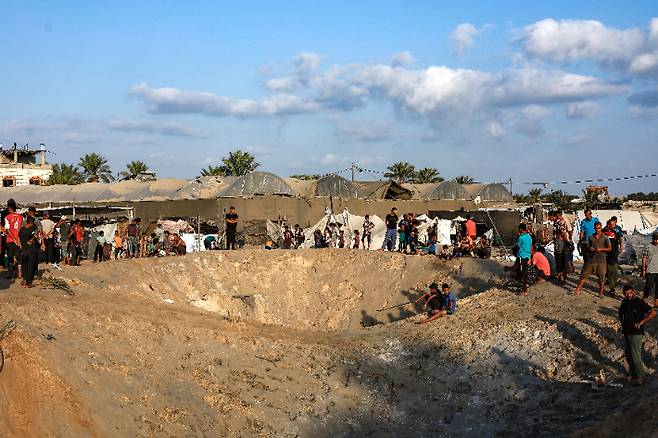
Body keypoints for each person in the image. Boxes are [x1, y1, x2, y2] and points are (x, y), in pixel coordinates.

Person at [619, 285, 656, 384]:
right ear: (623, 293)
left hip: (636, 332)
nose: (628, 295)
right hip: (627, 331)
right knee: (628, 354)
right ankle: (633, 374)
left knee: (635, 354)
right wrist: (622, 324)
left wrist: (641, 322)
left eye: (630, 293)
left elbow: (653, 313)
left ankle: (641, 376)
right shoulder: (624, 302)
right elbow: (620, 313)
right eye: (626, 293)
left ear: (633, 292)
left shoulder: (639, 302)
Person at [575, 222, 611, 297]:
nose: (597, 230)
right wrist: (590, 248)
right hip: (591, 259)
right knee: (584, 274)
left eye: (599, 228)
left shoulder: (605, 237)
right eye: (596, 228)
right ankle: (577, 290)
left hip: (601, 260)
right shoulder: (591, 236)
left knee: (601, 278)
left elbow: (609, 248)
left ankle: (601, 293)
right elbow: (588, 246)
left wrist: (601, 249)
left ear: (601, 228)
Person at [3, 200, 23, 278]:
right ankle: (20, 273)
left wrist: (14, 239)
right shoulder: (21, 217)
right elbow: (21, 229)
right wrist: (18, 239)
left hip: (10, 240)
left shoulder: (7, 217)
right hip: (18, 240)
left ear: (9, 209)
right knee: (19, 257)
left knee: (10, 257)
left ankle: (11, 273)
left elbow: (7, 229)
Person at [19, 216, 39, 288]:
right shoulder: (31, 230)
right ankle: (28, 283)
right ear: (31, 223)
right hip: (31, 250)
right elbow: (36, 235)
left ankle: (24, 280)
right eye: (33, 223)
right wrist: (33, 239)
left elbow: (20, 240)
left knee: (24, 266)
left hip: (24, 251)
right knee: (30, 266)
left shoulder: (21, 230)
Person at [603, 219, 621, 297]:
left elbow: (621, 241)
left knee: (613, 272)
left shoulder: (616, 233)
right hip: (603, 254)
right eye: (613, 225)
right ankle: (604, 286)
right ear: (608, 225)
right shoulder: (603, 232)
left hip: (613, 255)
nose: (614, 226)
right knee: (603, 272)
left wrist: (620, 250)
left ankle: (612, 289)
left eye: (614, 224)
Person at [642, 233, 658, 308]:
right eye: (655, 239)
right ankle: (644, 298)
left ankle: (657, 302)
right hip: (650, 269)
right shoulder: (648, 246)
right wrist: (643, 269)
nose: (656, 241)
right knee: (648, 286)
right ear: (652, 239)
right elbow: (644, 258)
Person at [516, 223, 533, 295]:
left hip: (521, 256)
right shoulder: (529, 236)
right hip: (527, 256)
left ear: (520, 229)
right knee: (525, 272)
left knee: (523, 273)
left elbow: (517, 246)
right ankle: (525, 287)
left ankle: (524, 289)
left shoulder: (521, 238)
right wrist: (530, 257)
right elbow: (531, 246)